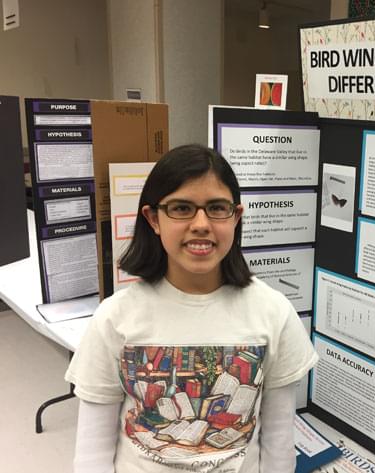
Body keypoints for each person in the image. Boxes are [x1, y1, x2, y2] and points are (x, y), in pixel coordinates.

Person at [65, 144, 318, 473]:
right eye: (182, 208)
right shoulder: (115, 317)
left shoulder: (273, 312)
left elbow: (279, 440)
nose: (201, 224)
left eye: (216, 208)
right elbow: (92, 451)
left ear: (236, 216)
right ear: (153, 219)